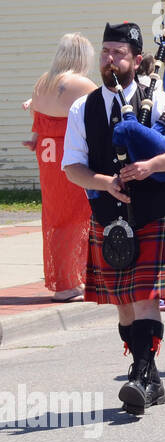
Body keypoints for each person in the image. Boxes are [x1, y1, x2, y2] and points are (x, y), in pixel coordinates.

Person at [62, 22, 165, 415]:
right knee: (123, 305)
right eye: (105, 51)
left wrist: (151, 166)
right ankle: (151, 377)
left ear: (136, 60)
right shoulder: (83, 107)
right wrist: (104, 182)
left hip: (153, 213)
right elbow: (72, 167)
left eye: (118, 53)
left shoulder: (156, 99)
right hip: (108, 219)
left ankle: (140, 375)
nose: (109, 60)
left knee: (143, 298)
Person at [25, 33, 96, 301]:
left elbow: (38, 123)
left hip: (47, 160)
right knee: (79, 216)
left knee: (56, 219)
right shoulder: (81, 83)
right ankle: (72, 281)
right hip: (71, 159)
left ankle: (63, 279)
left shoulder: (43, 82)